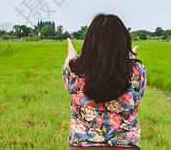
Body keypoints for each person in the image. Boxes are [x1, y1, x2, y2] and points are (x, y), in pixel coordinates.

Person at [62, 13, 147, 149]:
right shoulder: (138, 71)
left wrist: (71, 57)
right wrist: (130, 60)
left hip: (83, 145)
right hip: (125, 145)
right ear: (123, 42)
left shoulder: (73, 71)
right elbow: (137, 96)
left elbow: (70, 66)